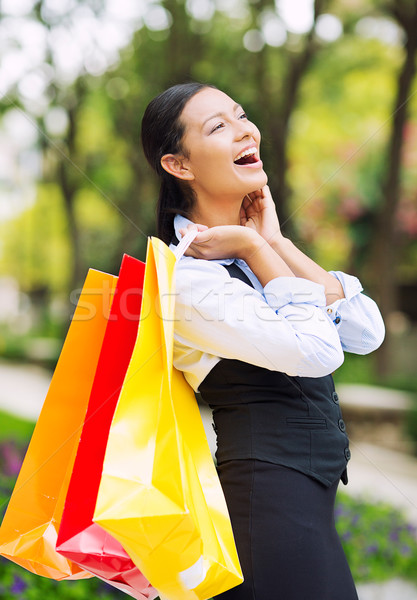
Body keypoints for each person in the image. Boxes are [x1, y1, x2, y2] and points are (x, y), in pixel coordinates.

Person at [141, 82, 385, 600]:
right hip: (267, 498)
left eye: (240, 115)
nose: (244, 129)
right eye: (217, 127)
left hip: (298, 500)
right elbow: (316, 353)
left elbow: (366, 332)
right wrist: (256, 246)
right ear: (179, 165)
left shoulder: (256, 252)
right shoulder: (187, 279)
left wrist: (274, 243)